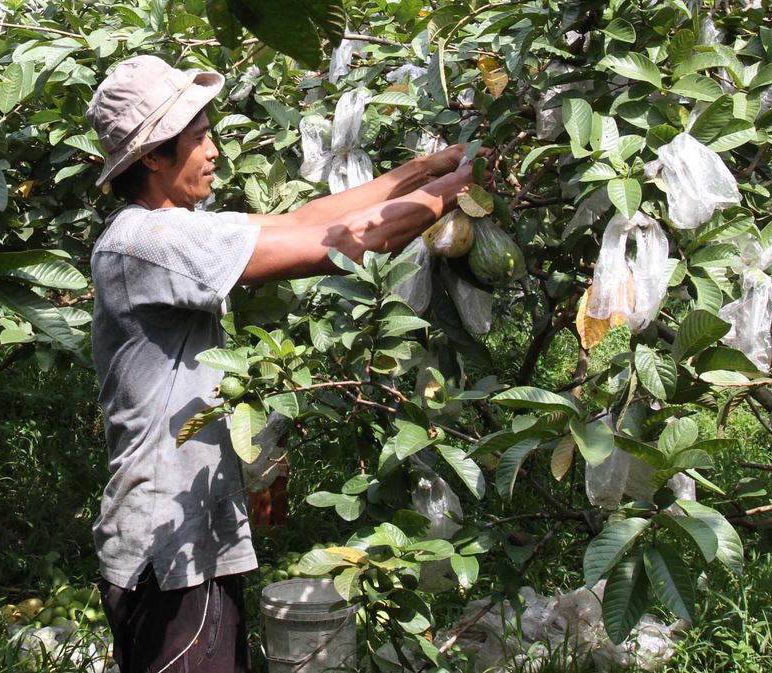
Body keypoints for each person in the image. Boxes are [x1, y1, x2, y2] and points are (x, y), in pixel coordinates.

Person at [85, 54, 480, 673]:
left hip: (186, 538)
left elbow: (304, 220)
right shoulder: (150, 240)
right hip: (167, 550)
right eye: (198, 138)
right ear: (155, 157)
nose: (214, 150)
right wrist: (462, 188)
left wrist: (426, 169)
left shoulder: (174, 227)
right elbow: (348, 243)